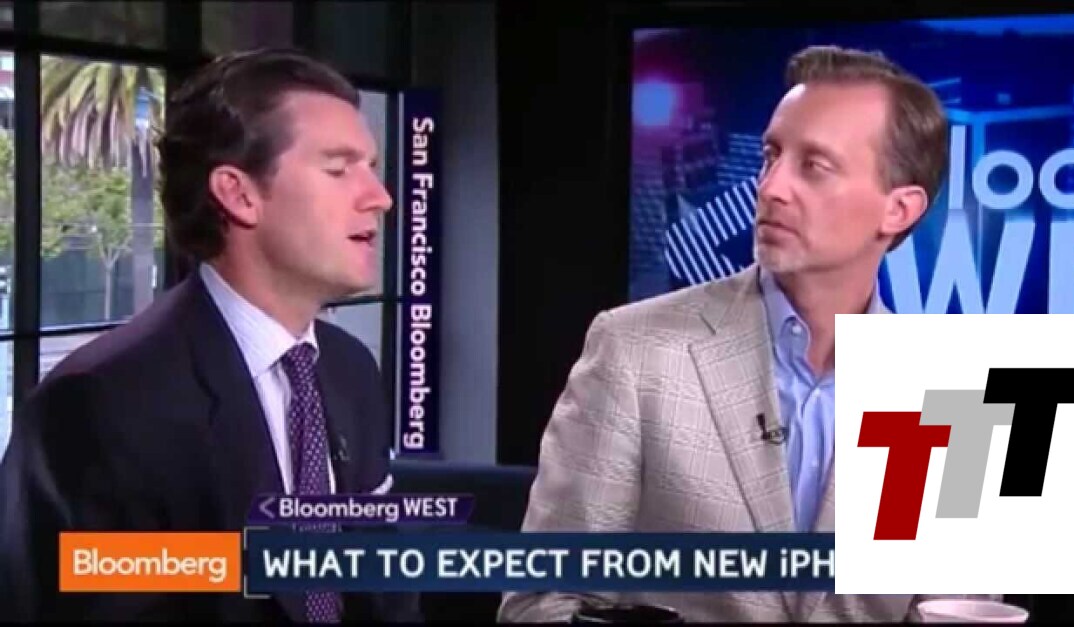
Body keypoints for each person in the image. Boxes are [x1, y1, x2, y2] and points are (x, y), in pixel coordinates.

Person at [498, 45, 1000, 622]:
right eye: (771, 156)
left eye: (814, 166)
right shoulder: (635, 351)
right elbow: (542, 601)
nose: (770, 187)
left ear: (899, 210)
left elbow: (961, 605)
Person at [0, 48, 420, 623]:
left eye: (371, 166)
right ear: (239, 194)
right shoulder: (100, 407)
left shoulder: (352, 372)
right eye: (339, 168)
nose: (381, 197)